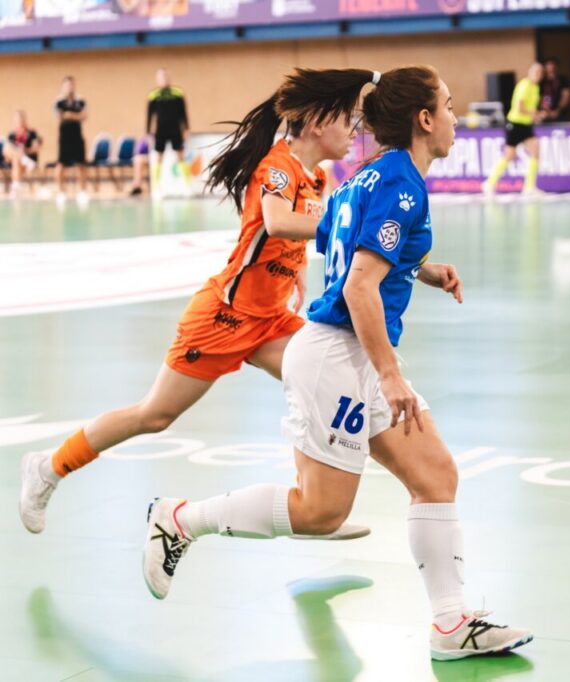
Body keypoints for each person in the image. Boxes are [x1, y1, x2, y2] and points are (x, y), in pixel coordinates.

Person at [141, 65, 534, 661]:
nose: (457, 117)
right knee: (320, 511)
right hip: (337, 356)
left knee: (435, 476)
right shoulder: (403, 185)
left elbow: (350, 243)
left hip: (348, 353)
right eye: (449, 106)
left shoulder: (368, 175)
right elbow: (357, 288)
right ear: (424, 121)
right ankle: (181, 519)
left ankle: (450, 624)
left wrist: (419, 268)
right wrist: (390, 374)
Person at [19, 68, 368, 543]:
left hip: (268, 319)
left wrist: (299, 269)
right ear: (314, 123)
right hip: (223, 317)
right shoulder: (277, 166)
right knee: (154, 415)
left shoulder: (318, 176)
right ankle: (48, 467)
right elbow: (278, 220)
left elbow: (286, 235)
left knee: (321, 383)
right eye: (347, 118)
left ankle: (316, 508)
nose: (354, 129)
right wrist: (344, 229)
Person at [482, 62, 544, 196]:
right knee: (510, 155)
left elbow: (531, 108)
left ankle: (529, 187)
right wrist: (534, 114)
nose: (538, 75)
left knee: (535, 150)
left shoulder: (536, 88)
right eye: (535, 72)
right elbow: (520, 107)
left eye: (540, 73)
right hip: (515, 124)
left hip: (526, 125)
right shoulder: (524, 85)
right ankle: (489, 183)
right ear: (530, 72)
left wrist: (536, 116)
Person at [131, 68, 190, 196]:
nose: (163, 80)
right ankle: (157, 188)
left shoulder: (177, 93)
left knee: (180, 156)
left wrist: (186, 128)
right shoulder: (153, 95)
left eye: (165, 77)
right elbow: (149, 115)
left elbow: (183, 113)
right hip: (161, 130)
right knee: (159, 157)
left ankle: (187, 186)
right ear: (157, 80)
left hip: (175, 129)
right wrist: (148, 132)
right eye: (160, 77)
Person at [54, 76, 88, 203]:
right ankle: (60, 192)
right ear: (63, 87)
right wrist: (75, 116)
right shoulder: (59, 102)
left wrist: (71, 115)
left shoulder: (80, 101)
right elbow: (60, 116)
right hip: (64, 137)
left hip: (77, 136)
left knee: (81, 165)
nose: (70, 87)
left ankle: (82, 191)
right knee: (61, 164)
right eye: (67, 85)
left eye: (71, 85)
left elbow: (84, 116)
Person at [5, 110, 42, 195]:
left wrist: (24, 151)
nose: (19, 121)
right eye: (17, 120)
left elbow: (35, 149)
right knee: (10, 151)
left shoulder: (32, 133)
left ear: (25, 120)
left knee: (16, 159)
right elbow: (8, 153)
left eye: (21, 119)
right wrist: (18, 153)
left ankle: (15, 186)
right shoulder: (12, 134)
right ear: (15, 121)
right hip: (17, 160)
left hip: (29, 158)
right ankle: (16, 185)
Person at [539, 57, 570, 122]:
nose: (550, 67)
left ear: (556, 66)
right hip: (543, 114)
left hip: (561, 114)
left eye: (552, 65)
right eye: (548, 65)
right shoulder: (541, 81)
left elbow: (566, 96)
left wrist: (558, 110)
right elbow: (538, 97)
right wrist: (544, 111)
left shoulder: (563, 80)